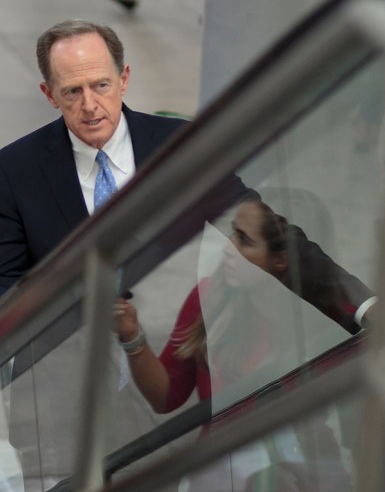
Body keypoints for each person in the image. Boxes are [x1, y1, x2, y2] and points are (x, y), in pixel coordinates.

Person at [0, 19, 376, 344]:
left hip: (163, 369)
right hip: (56, 380)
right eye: (72, 92)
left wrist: (363, 307)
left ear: (124, 78)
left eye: (101, 85)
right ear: (49, 94)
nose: (89, 106)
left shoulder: (181, 149)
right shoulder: (15, 167)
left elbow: (269, 235)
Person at [115, 196, 352, 491]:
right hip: (221, 475)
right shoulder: (209, 299)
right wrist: (132, 336)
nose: (228, 248)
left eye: (244, 241)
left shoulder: (331, 320)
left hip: (307, 473)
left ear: (281, 261)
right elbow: (166, 396)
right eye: (233, 233)